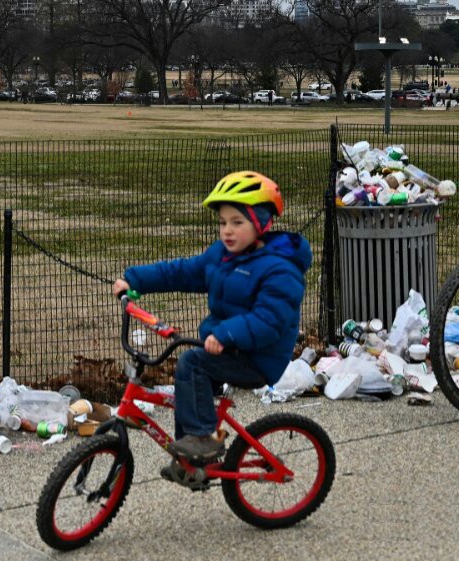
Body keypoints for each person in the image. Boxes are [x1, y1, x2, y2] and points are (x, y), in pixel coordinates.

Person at [112, 171, 311, 466]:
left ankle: (202, 440)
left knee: (192, 364)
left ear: (260, 225)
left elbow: (269, 320)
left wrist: (226, 334)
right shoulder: (223, 255)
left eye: (237, 222)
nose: (227, 231)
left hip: (259, 357)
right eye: (222, 222)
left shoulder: (280, 270)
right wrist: (135, 280)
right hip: (229, 346)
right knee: (190, 373)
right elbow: (184, 271)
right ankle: (191, 459)